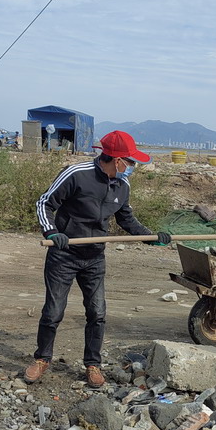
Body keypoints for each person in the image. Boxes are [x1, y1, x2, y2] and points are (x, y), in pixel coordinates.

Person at [25, 130, 171, 387]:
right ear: (118, 160)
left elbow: (126, 218)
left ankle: (92, 364)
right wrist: (52, 232)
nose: (133, 167)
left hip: (94, 257)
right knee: (53, 312)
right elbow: (44, 203)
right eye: (131, 161)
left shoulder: (122, 185)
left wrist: (150, 237)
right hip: (64, 255)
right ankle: (42, 359)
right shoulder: (76, 174)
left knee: (97, 312)